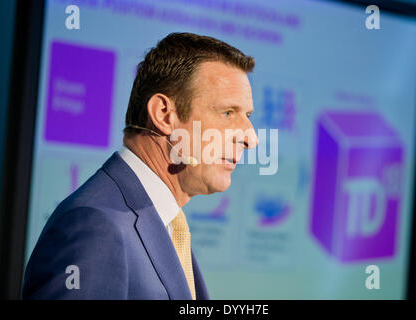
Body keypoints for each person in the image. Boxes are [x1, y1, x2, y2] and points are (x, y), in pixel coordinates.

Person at [22, 32, 258, 299]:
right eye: (228, 113)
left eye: (247, 116)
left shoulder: (163, 221)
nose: (251, 138)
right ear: (163, 115)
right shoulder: (96, 226)